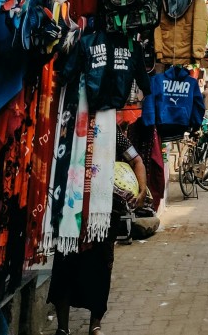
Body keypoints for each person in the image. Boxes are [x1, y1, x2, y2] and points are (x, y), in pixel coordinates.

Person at [49, 125, 147, 335]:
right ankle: (62, 328)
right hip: (71, 208)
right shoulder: (68, 124)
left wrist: (141, 188)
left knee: (101, 264)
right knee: (65, 262)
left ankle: (95, 324)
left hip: (104, 211)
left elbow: (136, 159)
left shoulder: (112, 132)